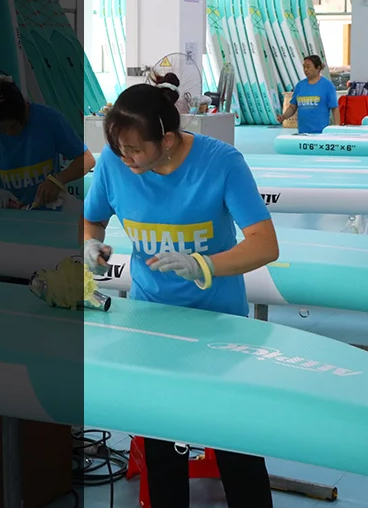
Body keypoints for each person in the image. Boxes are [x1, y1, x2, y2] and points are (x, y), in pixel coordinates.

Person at [83, 81, 279, 507]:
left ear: (166, 140)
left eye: (134, 149)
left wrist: (204, 265)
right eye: (117, 149)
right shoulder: (115, 166)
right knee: (163, 445)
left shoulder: (221, 162)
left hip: (219, 322)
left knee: (235, 443)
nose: (125, 158)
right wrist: (89, 244)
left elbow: (265, 244)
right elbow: (92, 220)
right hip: (152, 322)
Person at [0, 75, 94, 209]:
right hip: (9, 213)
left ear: (25, 109)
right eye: (0, 129)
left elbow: (87, 159)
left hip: (50, 211)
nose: (9, 133)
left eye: (13, 126)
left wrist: (57, 180)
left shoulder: (48, 119)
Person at [277, 55, 339, 133]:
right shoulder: (300, 86)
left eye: (308, 67)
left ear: (318, 68)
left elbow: (335, 109)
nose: (305, 69)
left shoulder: (327, 85)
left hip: (321, 134)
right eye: (304, 67)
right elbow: (292, 107)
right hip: (303, 133)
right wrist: (284, 116)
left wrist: (337, 130)